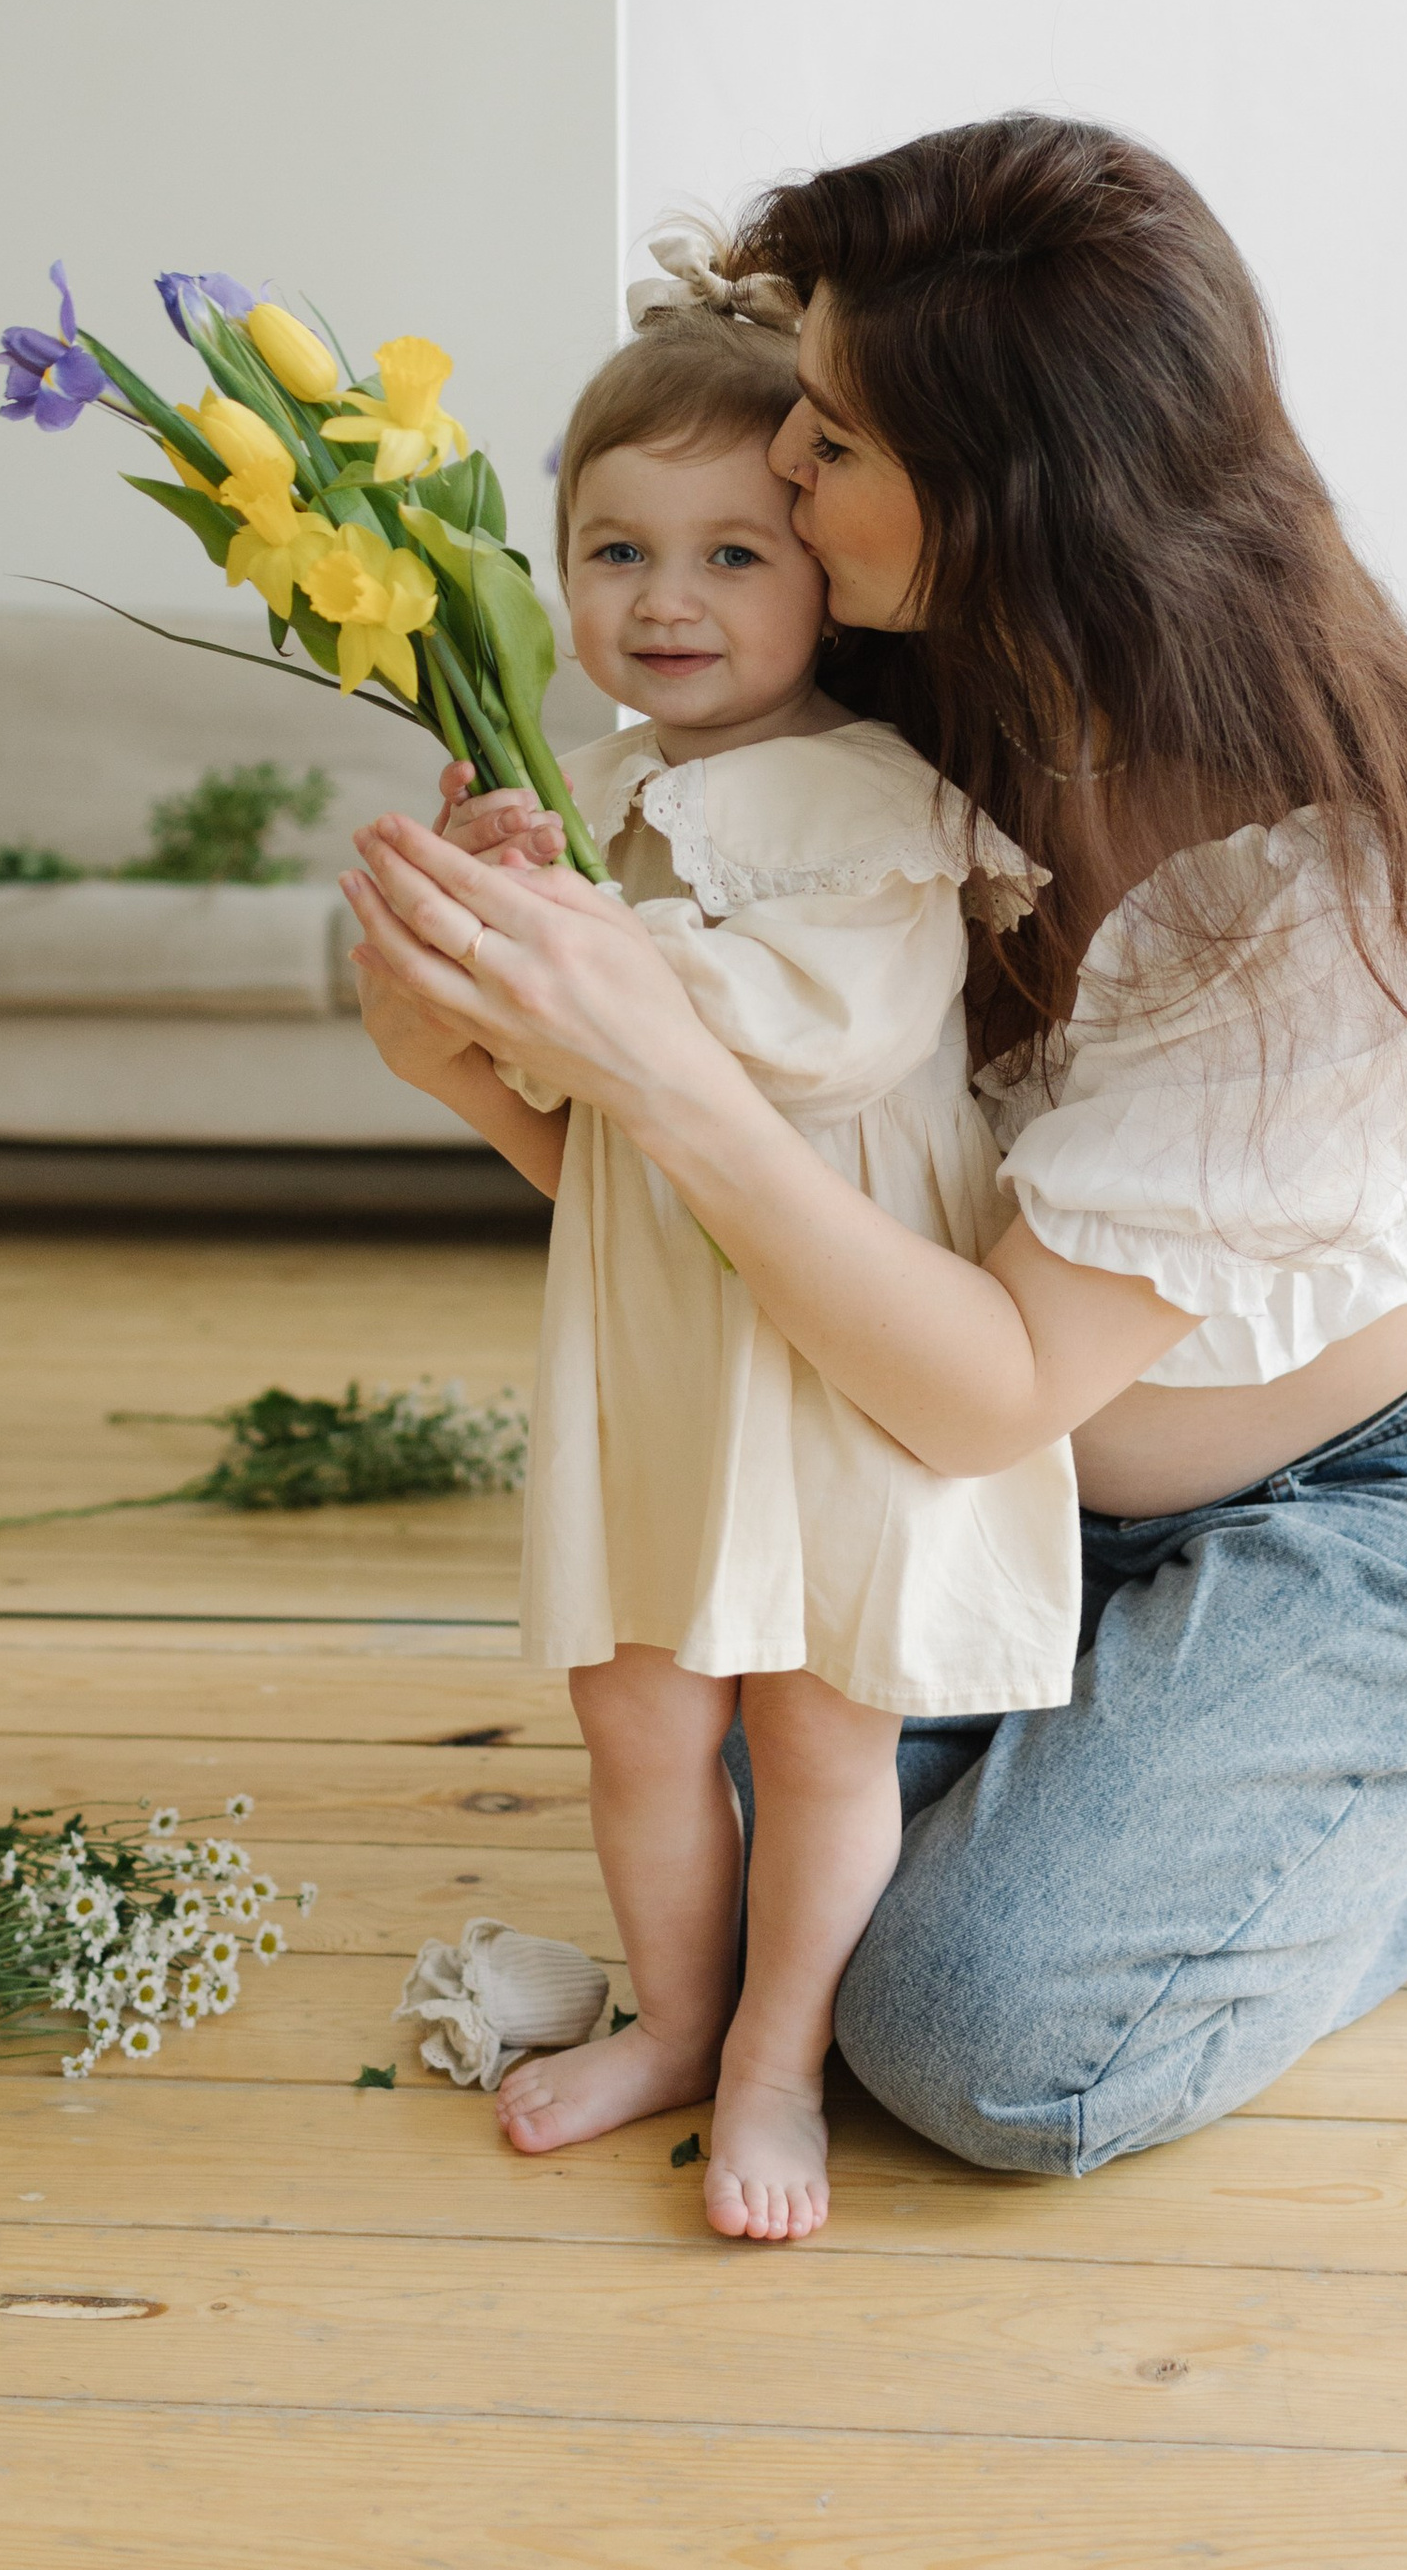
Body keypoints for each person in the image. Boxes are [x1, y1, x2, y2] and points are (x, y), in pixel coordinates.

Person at [342, 114, 1407, 2180]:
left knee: (968, 2041)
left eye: (831, 442)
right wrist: (477, 1063)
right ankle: (1256, 1755)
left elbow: (982, 1387)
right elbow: (779, 1245)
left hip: (1381, 1485)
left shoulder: (1322, 898)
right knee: (725, 1790)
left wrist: (655, 1059)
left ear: (1001, 490)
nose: (779, 469)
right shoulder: (881, 704)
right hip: (995, 1478)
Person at [468, 274, 1078, 2244]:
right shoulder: (608, 798)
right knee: (637, 1704)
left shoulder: (871, 803)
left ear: (822, 577)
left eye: (733, 550)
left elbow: (819, 1034)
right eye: (615, 548)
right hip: (660, 1328)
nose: (669, 596)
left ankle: (771, 2058)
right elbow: (579, 1101)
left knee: (819, 1719)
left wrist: (587, 964)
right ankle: (672, 2013)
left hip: (833, 1337)